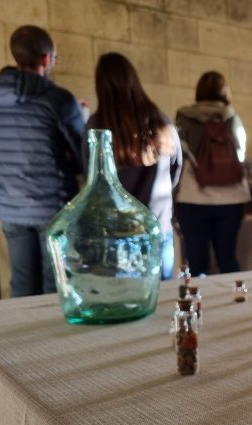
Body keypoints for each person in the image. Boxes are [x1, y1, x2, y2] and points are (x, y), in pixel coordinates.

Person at [0, 25, 85, 297]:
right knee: (56, 287)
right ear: (46, 58)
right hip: (52, 205)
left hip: (7, 202)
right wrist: (80, 117)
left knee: (22, 285)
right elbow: (84, 154)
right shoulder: (58, 99)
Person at [85, 52, 182, 280]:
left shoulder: (97, 126)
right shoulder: (162, 122)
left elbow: (91, 178)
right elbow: (176, 170)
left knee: (123, 300)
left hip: (115, 228)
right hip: (157, 221)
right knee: (163, 297)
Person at [175, 71, 250, 276]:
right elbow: (241, 153)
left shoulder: (184, 117)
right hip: (231, 198)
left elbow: (177, 156)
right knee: (227, 258)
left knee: (197, 262)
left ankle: (199, 306)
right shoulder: (232, 117)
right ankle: (236, 303)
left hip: (193, 197)